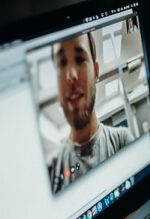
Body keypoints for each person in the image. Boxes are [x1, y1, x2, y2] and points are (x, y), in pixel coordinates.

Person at [50, 32, 134, 193]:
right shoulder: (53, 171)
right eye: (62, 63)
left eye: (80, 59)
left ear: (96, 71)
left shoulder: (121, 141)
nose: (71, 76)